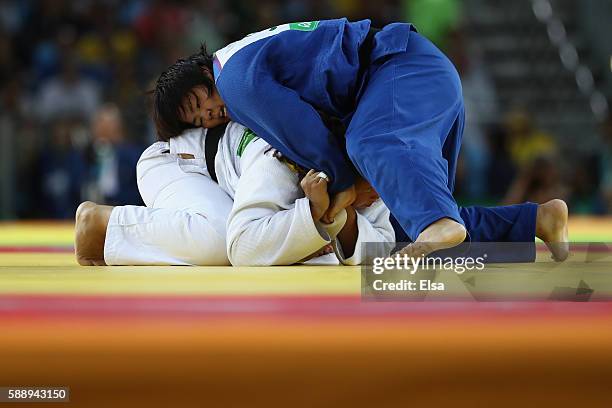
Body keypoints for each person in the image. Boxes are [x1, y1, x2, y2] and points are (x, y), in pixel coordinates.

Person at [151, 18, 569, 260]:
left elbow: (302, 128)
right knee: (405, 224)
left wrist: (342, 187)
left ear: (203, 73)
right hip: (414, 78)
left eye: (198, 102)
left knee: (370, 143)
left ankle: (440, 222)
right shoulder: (243, 59)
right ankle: (537, 220)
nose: (210, 116)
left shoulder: (235, 79)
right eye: (199, 120)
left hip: (401, 68)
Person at [74, 122, 394, 266]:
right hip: (178, 165)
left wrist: (338, 216)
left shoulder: (368, 177)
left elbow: (381, 248)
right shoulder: (279, 162)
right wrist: (313, 214)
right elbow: (244, 247)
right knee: (218, 241)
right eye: (371, 184)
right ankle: (106, 223)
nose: (380, 195)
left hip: (225, 181)